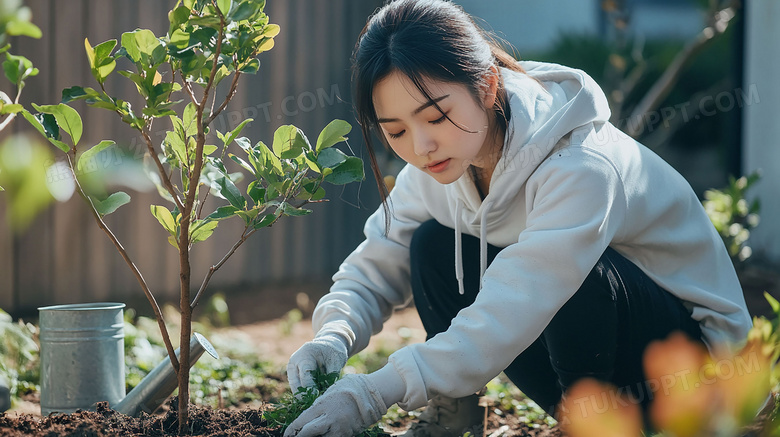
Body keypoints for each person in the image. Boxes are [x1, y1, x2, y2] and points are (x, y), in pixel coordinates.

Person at [282, 0, 753, 436]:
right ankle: (456, 409)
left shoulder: (581, 165)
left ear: (486, 85)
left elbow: (514, 306)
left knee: (577, 277)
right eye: (397, 130)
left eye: (437, 116)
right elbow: (380, 258)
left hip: (696, 380)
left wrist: (374, 391)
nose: (420, 147)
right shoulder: (436, 166)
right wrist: (334, 336)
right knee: (429, 244)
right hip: (593, 361)